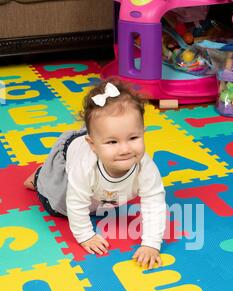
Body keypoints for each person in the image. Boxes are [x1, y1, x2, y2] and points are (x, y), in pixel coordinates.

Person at [24, 80, 166, 269]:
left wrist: (151, 243)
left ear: (143, 133)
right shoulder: (85, 166)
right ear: (93, 145)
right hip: (70, 160)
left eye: (133, 138)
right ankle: (40, 176)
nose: (125, 149)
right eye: (112, 142)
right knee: (58, 206)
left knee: (99, 203)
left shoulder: (145, 167)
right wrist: (85, 236)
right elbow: (75, 203)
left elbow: (154, 202)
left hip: (100, 183)